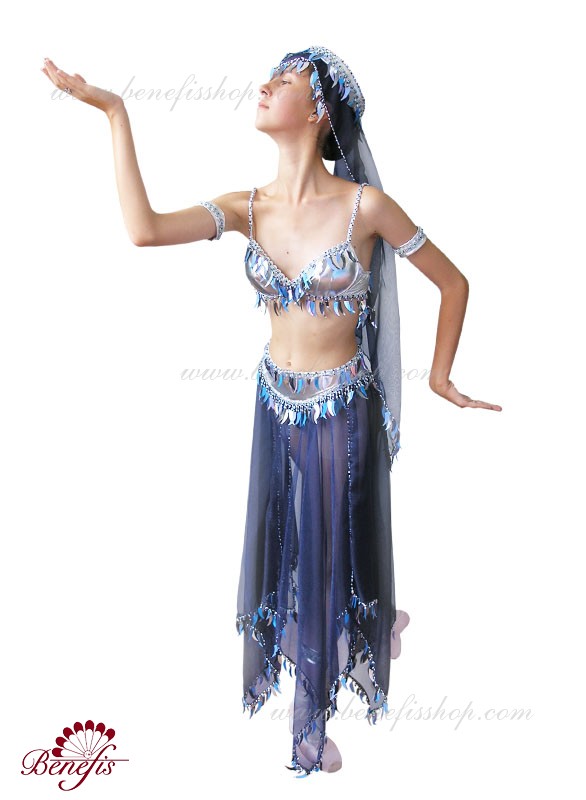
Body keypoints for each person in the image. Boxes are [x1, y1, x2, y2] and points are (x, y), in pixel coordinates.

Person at [40, 47, 502, 778]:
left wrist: (440, 375)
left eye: (283, 81)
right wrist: (115, 112)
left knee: (322, 556)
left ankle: (310, 732)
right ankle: (369, 623)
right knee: (290, 548)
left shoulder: (366, 207)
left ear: (318, 111)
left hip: (343, 410)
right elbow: (144, 229)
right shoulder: (246, 207)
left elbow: (453, 282)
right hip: (274, 404)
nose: (263, 86)